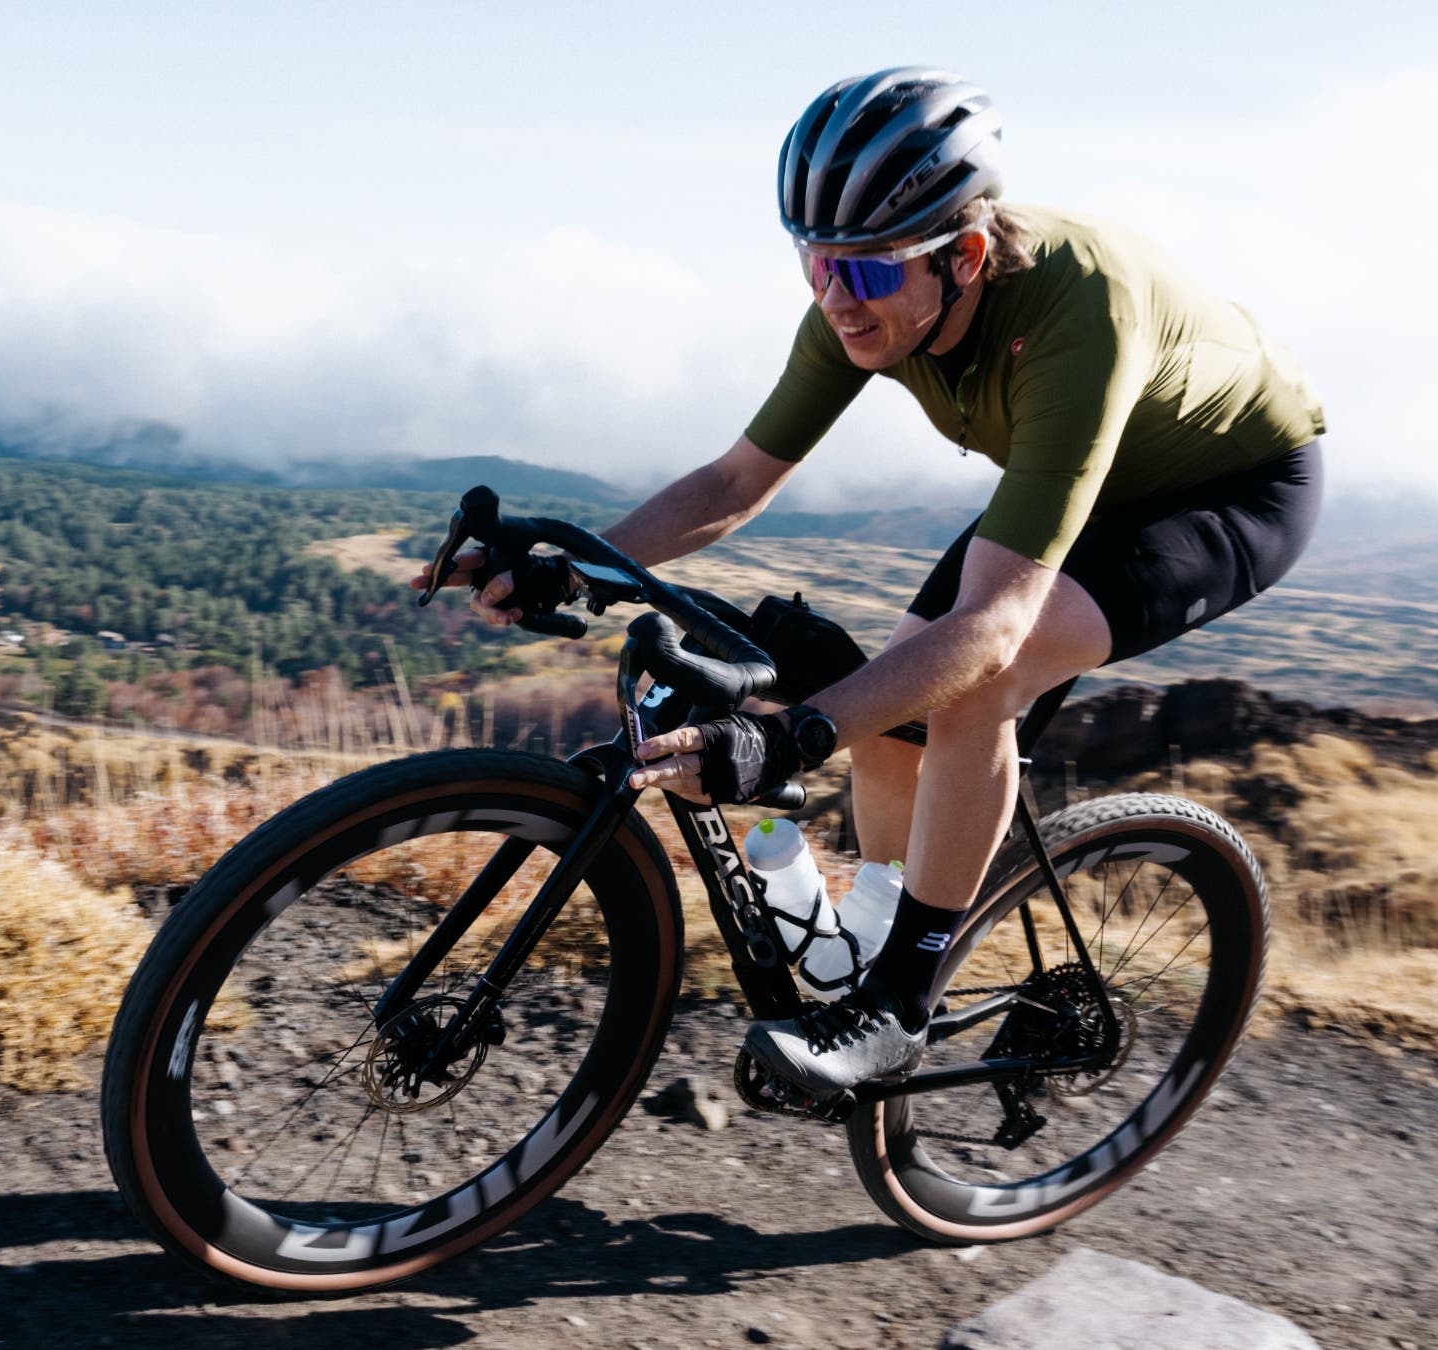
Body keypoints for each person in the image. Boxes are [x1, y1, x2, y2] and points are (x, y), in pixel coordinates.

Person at [413, 66, 1324, 1097]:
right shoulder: (864, 299)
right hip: (1082, 471)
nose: (838, 298)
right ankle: (868, 945)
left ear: (965, 256)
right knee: (900, 704)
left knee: (979, 681)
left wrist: (786, 737)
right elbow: (734, 481)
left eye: (868, 271)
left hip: (1227, 491)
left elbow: (992, 628)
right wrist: (577, 565)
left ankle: (898, 1007)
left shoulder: (1077, 315)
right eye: (815, 263)